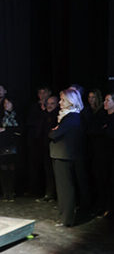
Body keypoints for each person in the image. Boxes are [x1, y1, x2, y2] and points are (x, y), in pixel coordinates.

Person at [49, 88, 89, 227]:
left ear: (71, 102)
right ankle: (64, 217)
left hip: (64, 156)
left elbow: (54, 134)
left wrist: (54, 131)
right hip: (62, 155)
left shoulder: (72, 117)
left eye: (63, 100)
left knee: (65, 188)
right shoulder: (69, 117)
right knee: (63, 188)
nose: (60, 103)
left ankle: (67, 219)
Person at [0, 98, 22, 201]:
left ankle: (12, 191)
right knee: (3, 169)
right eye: (5, 103)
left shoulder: (17, 115)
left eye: (8, 103)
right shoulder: (0, 115)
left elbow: (19, 130)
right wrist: (6, 131)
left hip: (14, 145)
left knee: (12, 168)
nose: (6, 105)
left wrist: (6, 130)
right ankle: (5, 192)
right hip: (2, 144)